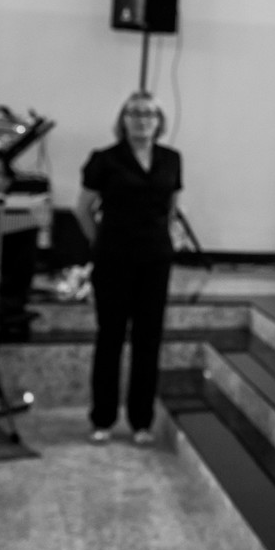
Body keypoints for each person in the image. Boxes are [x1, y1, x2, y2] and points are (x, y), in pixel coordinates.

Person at [75, 92, 181, 446]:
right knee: (111, 337)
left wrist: (167, 238)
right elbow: (83, 209)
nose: (142, 119)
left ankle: (141, 421)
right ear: (123, 119)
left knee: (148, 340)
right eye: (134, 113)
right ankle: (102, 418)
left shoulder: (171, 158)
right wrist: (100, 245)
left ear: (159, 120)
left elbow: (170, 207)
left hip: (155, 259)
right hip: (113, 259)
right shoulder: (104, 159)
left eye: (149, 113)